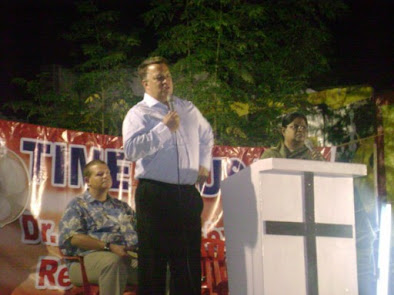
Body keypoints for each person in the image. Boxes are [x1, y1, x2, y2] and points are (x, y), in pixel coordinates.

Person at [122, 56, 214, 295]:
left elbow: (207, 135)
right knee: (153, 263)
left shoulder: (187, 108)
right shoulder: (138, 113)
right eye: (159, 77)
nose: (166, 82)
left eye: (168, 76)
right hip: (155, 194)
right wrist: (163, 129)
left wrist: (204, 163)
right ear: (145, 84)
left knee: (187, 264)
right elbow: (131, 151)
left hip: (186, 194)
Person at [59, 160, 138, 295]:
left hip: (126, 257)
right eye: (100, 174)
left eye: (108, 173)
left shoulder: (122, 207)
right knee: (113, 263)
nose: (106, 176)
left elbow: (141, 230)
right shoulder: (78, 205)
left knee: (161, 266)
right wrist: (109, 247)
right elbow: (74, 238)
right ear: (87, 180)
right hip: (85, 261)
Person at [261, 111, 326, 161]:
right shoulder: (271, 155)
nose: (300, 130)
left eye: (303, 127)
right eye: (295, 127)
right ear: (283, 131)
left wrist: (322, 164)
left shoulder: (313, 156)